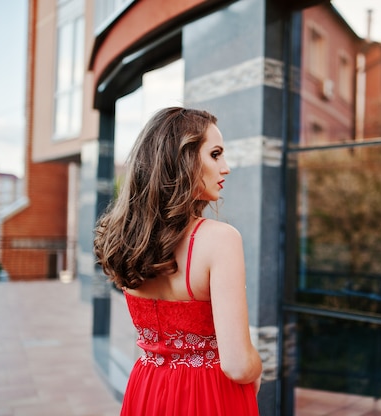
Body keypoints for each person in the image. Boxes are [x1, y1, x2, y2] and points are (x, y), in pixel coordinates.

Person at [94, 107, 262, 415]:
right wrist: (257, 366)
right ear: (182, 160)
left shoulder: (127, 241)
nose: (226, 167)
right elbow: (238, 365)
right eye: (215, 154)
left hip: (147, 389)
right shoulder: (221, 240)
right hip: (210, 397)